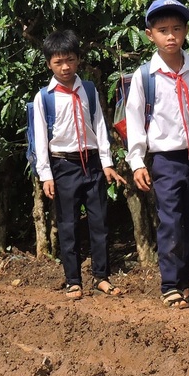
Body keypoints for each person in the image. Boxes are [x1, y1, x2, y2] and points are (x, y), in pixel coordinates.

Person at [125, 0, 189, 308]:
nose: (171, 36)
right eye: (163, 30)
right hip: (166, 160)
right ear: (150, 35)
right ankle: (170, 285)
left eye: (177, 28)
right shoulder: (145, 76)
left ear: (186, 30)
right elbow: (135, 120)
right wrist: (137, 162)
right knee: (171, 221)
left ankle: (187, 278)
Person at [32, 30, 126, 299]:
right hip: (64, 166)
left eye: (70, 60)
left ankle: (101, 277)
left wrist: (107, 162)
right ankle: (73, 280)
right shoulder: (44, 97)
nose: (65, 67)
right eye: (58, 62)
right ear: (49, 63)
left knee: (100, 223)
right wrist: (46, 175)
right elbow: (41, 139)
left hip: (92, 164)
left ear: (78, 60)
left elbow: (99, 126)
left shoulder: (89, 90)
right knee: (68, 224)